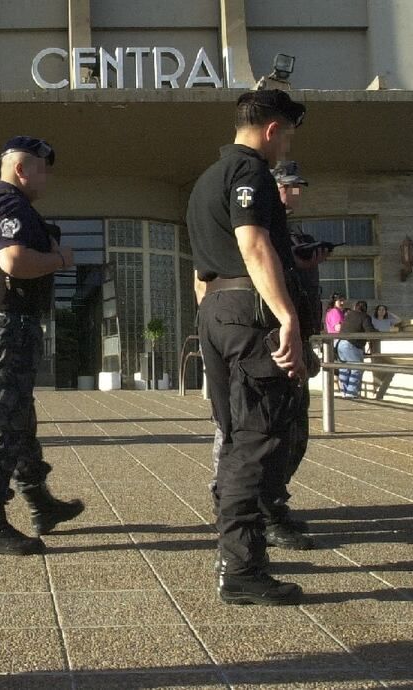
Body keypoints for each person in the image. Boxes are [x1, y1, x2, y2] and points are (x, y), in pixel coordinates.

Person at [187, 90, 321, 606]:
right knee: (257, 437)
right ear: (272, 129)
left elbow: (202, 269)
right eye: (287, 133)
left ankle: (237, 554)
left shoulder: (205, 181)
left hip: (216, 310)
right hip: (249, 312)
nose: (287, 144)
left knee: (235, 432)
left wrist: (210, 322)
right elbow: (254, 243)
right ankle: (242, 568)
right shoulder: (252, 173)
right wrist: (286, 316)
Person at [0, 136, 84, 557]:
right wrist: (61, 259)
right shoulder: (9, 204)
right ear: (21, 169)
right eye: (43, 167)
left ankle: (39, 502)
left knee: (18, 417)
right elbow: (12, 260)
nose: (47, 176)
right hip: (3, 327)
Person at [338, 300, 375, 399]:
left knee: (344, 368)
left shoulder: (349, 315)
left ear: (355, 307)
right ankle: (351, 393)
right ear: (365, 309)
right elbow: (370, 331)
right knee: (357, 368)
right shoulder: (364, 316)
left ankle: (343, 392)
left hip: (340, 343)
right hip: (352, 344)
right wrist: (379, 332)